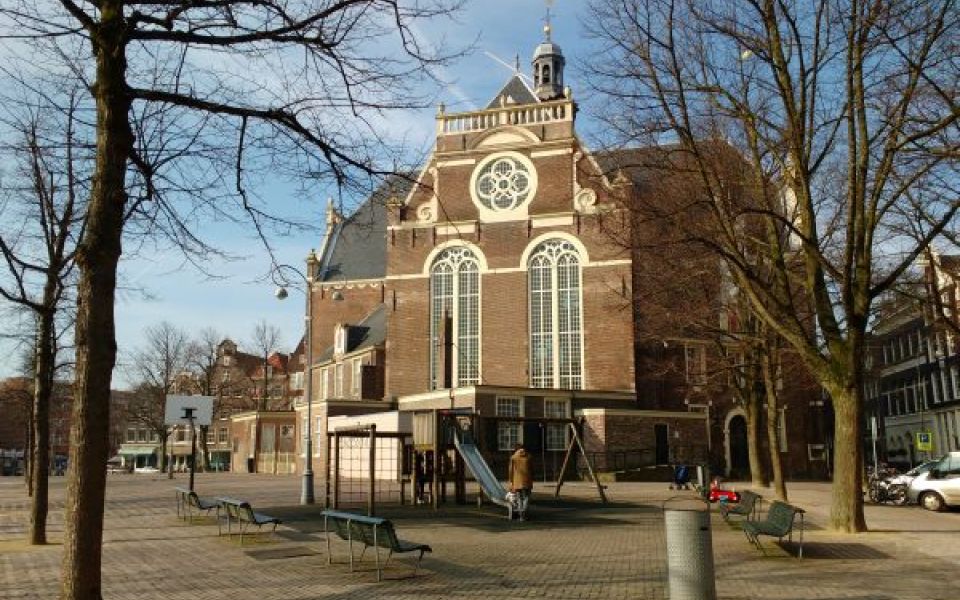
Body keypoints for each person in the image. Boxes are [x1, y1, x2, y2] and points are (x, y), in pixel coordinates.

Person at [509, 443, 533, 520]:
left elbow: (510, 471)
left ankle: (521, 515)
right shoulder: (529, 457)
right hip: (527, 481)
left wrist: (511, 481)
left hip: (517, 481)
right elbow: (532, 469)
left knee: (519, 498)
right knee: (526, 497)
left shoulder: (513, 457)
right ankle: (524, 512)